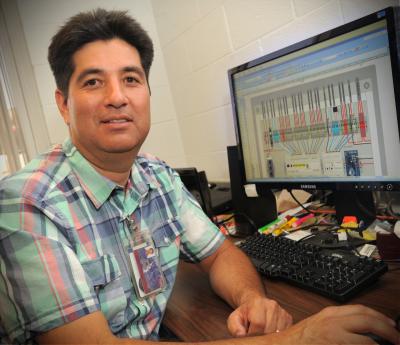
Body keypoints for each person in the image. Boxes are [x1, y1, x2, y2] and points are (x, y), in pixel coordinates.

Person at [0, 8, 398, 345]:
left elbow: (219, 253)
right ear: (63, 105)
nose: (117, 96)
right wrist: (290, 339)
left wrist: (250, 300)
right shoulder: (26, 204)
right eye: (92, 81)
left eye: (131, 79)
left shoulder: (157, 176)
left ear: (147, 94)